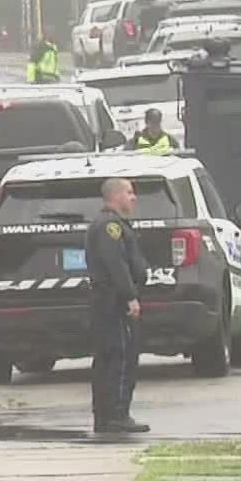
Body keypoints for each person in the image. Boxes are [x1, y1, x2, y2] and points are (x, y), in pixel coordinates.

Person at [86, 177, 150, 434]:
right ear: (115, 196)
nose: (134, 197)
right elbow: (116, 265)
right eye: (129, 192)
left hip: (108, 302)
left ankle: (106, 416)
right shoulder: (110, 227)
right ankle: (116, 414)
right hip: (114, 303)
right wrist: (129, 296)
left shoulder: (109, 225)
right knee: (120, 357)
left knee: (109, 357)